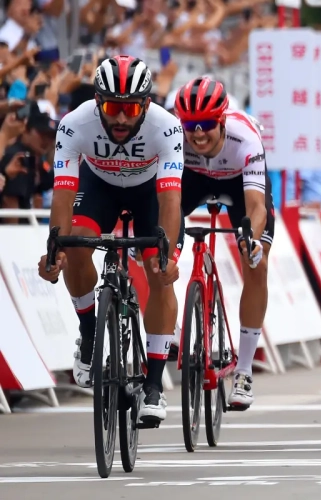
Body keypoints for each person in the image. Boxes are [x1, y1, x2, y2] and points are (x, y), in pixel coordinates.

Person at [36, 55, 184, 425]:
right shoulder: (74, 125)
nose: (121, 118)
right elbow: (63, 194)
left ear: (146, 104)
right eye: (113, 108)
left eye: (131, 108)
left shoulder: (166, 128)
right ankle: (89, 333)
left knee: (157, 268)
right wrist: (54, 249)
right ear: (99, 102)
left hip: (149, 191)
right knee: (74, 243)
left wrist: (166, 255)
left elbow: (170, 199)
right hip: (99, 186)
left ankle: (152, 384)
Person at [173, 77, 274, 409]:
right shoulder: (173, 136)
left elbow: (257, 207)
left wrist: (253, 241)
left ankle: (243, 370)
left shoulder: (244, 137)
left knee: (256, 264)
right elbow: (162, 202)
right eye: (191, 126)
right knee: (158, 234)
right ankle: (168, 331)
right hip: (194, 178)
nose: (198, 133)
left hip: (238, 183)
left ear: (221, 120)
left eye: (205, 125)